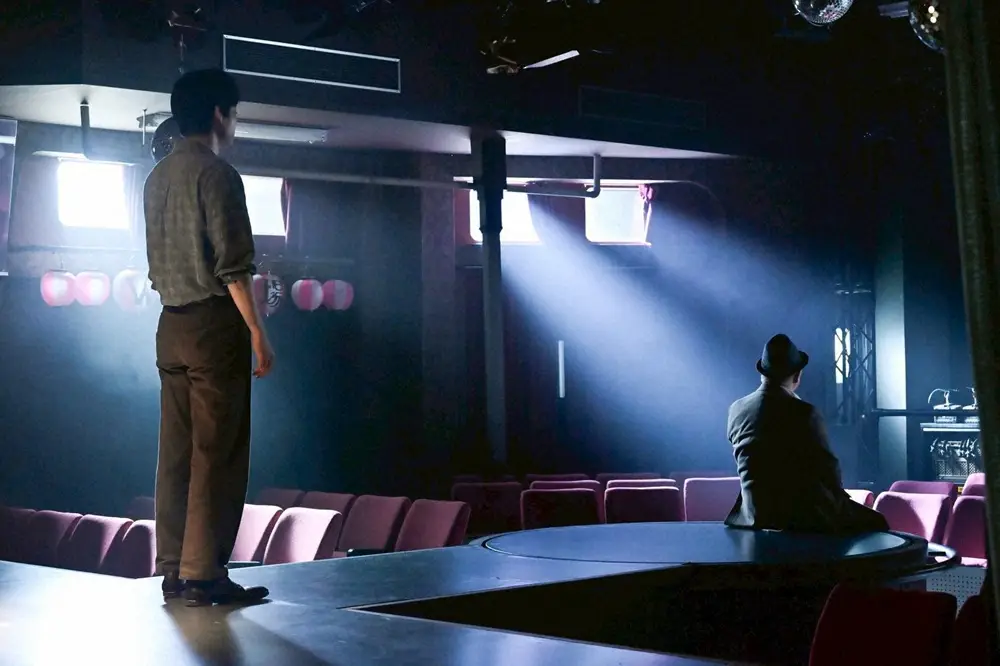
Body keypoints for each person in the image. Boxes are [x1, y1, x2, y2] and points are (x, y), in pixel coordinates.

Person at [145, 68, 275, 606]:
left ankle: (174, 568)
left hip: (169, 324)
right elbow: (233, 268)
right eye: (234, 113)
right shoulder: (218, 175)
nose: (235, 123)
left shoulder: (156, 178)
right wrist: (258, 332)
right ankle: (205, 574)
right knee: (217, 450)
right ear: (220, 114)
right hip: (213, 324)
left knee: (175, 451)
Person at [724, 334, 888, 534]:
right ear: (797, 376)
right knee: (878, 522)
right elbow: (828, 470)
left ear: (762, 374)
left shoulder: (736, 409)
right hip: (799, 516)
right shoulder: (804, 412)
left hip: (752, 515)